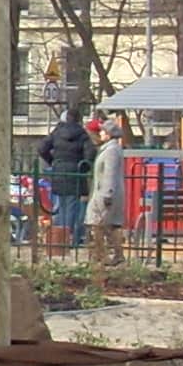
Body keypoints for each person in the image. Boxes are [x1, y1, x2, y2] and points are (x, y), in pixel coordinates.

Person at [39, 109, 93, 251]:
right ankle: (69, 240)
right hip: (74, 173)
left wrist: (53, 161)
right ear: (79, 119)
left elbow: (42, 148)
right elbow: (90, 154)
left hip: (59, 172)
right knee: (72, 207)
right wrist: (82, 169)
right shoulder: (82, 134)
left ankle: (58, 239)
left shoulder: (57, 132)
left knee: (59, 207)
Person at [87, 115, 131, 266]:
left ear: (109, 134)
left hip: (105, 193)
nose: (100, 133)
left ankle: (102, 255)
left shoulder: (111, 151)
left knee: (99, 224)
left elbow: (109, 173)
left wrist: (107, 194)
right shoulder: (109, 149)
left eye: (103, 131)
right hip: (104, 192)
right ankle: (112, 255)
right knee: (108, 225)